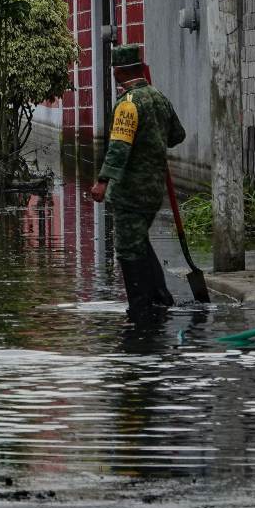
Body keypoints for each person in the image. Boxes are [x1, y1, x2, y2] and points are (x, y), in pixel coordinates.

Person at [90, 43, 186, 320]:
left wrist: (102, 181)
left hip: (130, 191)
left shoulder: (127, 105)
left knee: (128, 247)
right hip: (154, 189)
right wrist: (152, 139)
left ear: (118, 72)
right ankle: (160, 297)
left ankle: (140, 307)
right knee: (139, 240)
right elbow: (177, 135)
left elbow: (119, 147)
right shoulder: (159, 97)